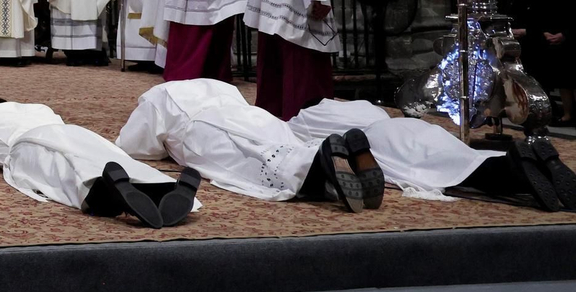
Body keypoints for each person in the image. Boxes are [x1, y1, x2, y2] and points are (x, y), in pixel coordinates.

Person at [116, 79, 383, 212]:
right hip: (255, 116)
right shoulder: (218, 85)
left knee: (252, 161)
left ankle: (321, 161)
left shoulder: (157, 96)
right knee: (280, 141)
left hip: (205, 126)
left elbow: (137, 147)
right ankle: (332, 151)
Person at [0, 98, 201, 228]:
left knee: (65, 173)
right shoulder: (40, 108)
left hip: (30, 144)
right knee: (110, 158)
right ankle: (164, 186)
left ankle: (108, 195)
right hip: (79, 133)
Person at [288, 97, 576, 211]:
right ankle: (531, 161)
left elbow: (301, 139)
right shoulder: (362, 104)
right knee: (462, 157)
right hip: (408, 127)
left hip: (376, 139)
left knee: (452, 173)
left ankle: (515, 171)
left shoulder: (306, 115)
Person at [542, 0, 576, 125]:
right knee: (563, 81)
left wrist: (565, 35)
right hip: (554, 39)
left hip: (572, 39)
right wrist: (546, 32)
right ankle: (568, 113)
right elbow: (545, 13)